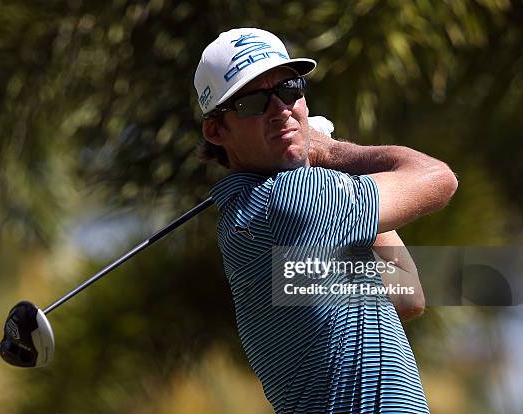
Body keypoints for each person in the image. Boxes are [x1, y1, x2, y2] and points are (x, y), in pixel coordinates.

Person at [194, 28, 458, 413]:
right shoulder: (292, 199)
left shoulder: (247, 218)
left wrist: (330, 173)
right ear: (217, 130)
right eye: (252, 103)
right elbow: (438, 177)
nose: (280, 110)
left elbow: (406, 295)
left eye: (289, 90)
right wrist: (331, 151)